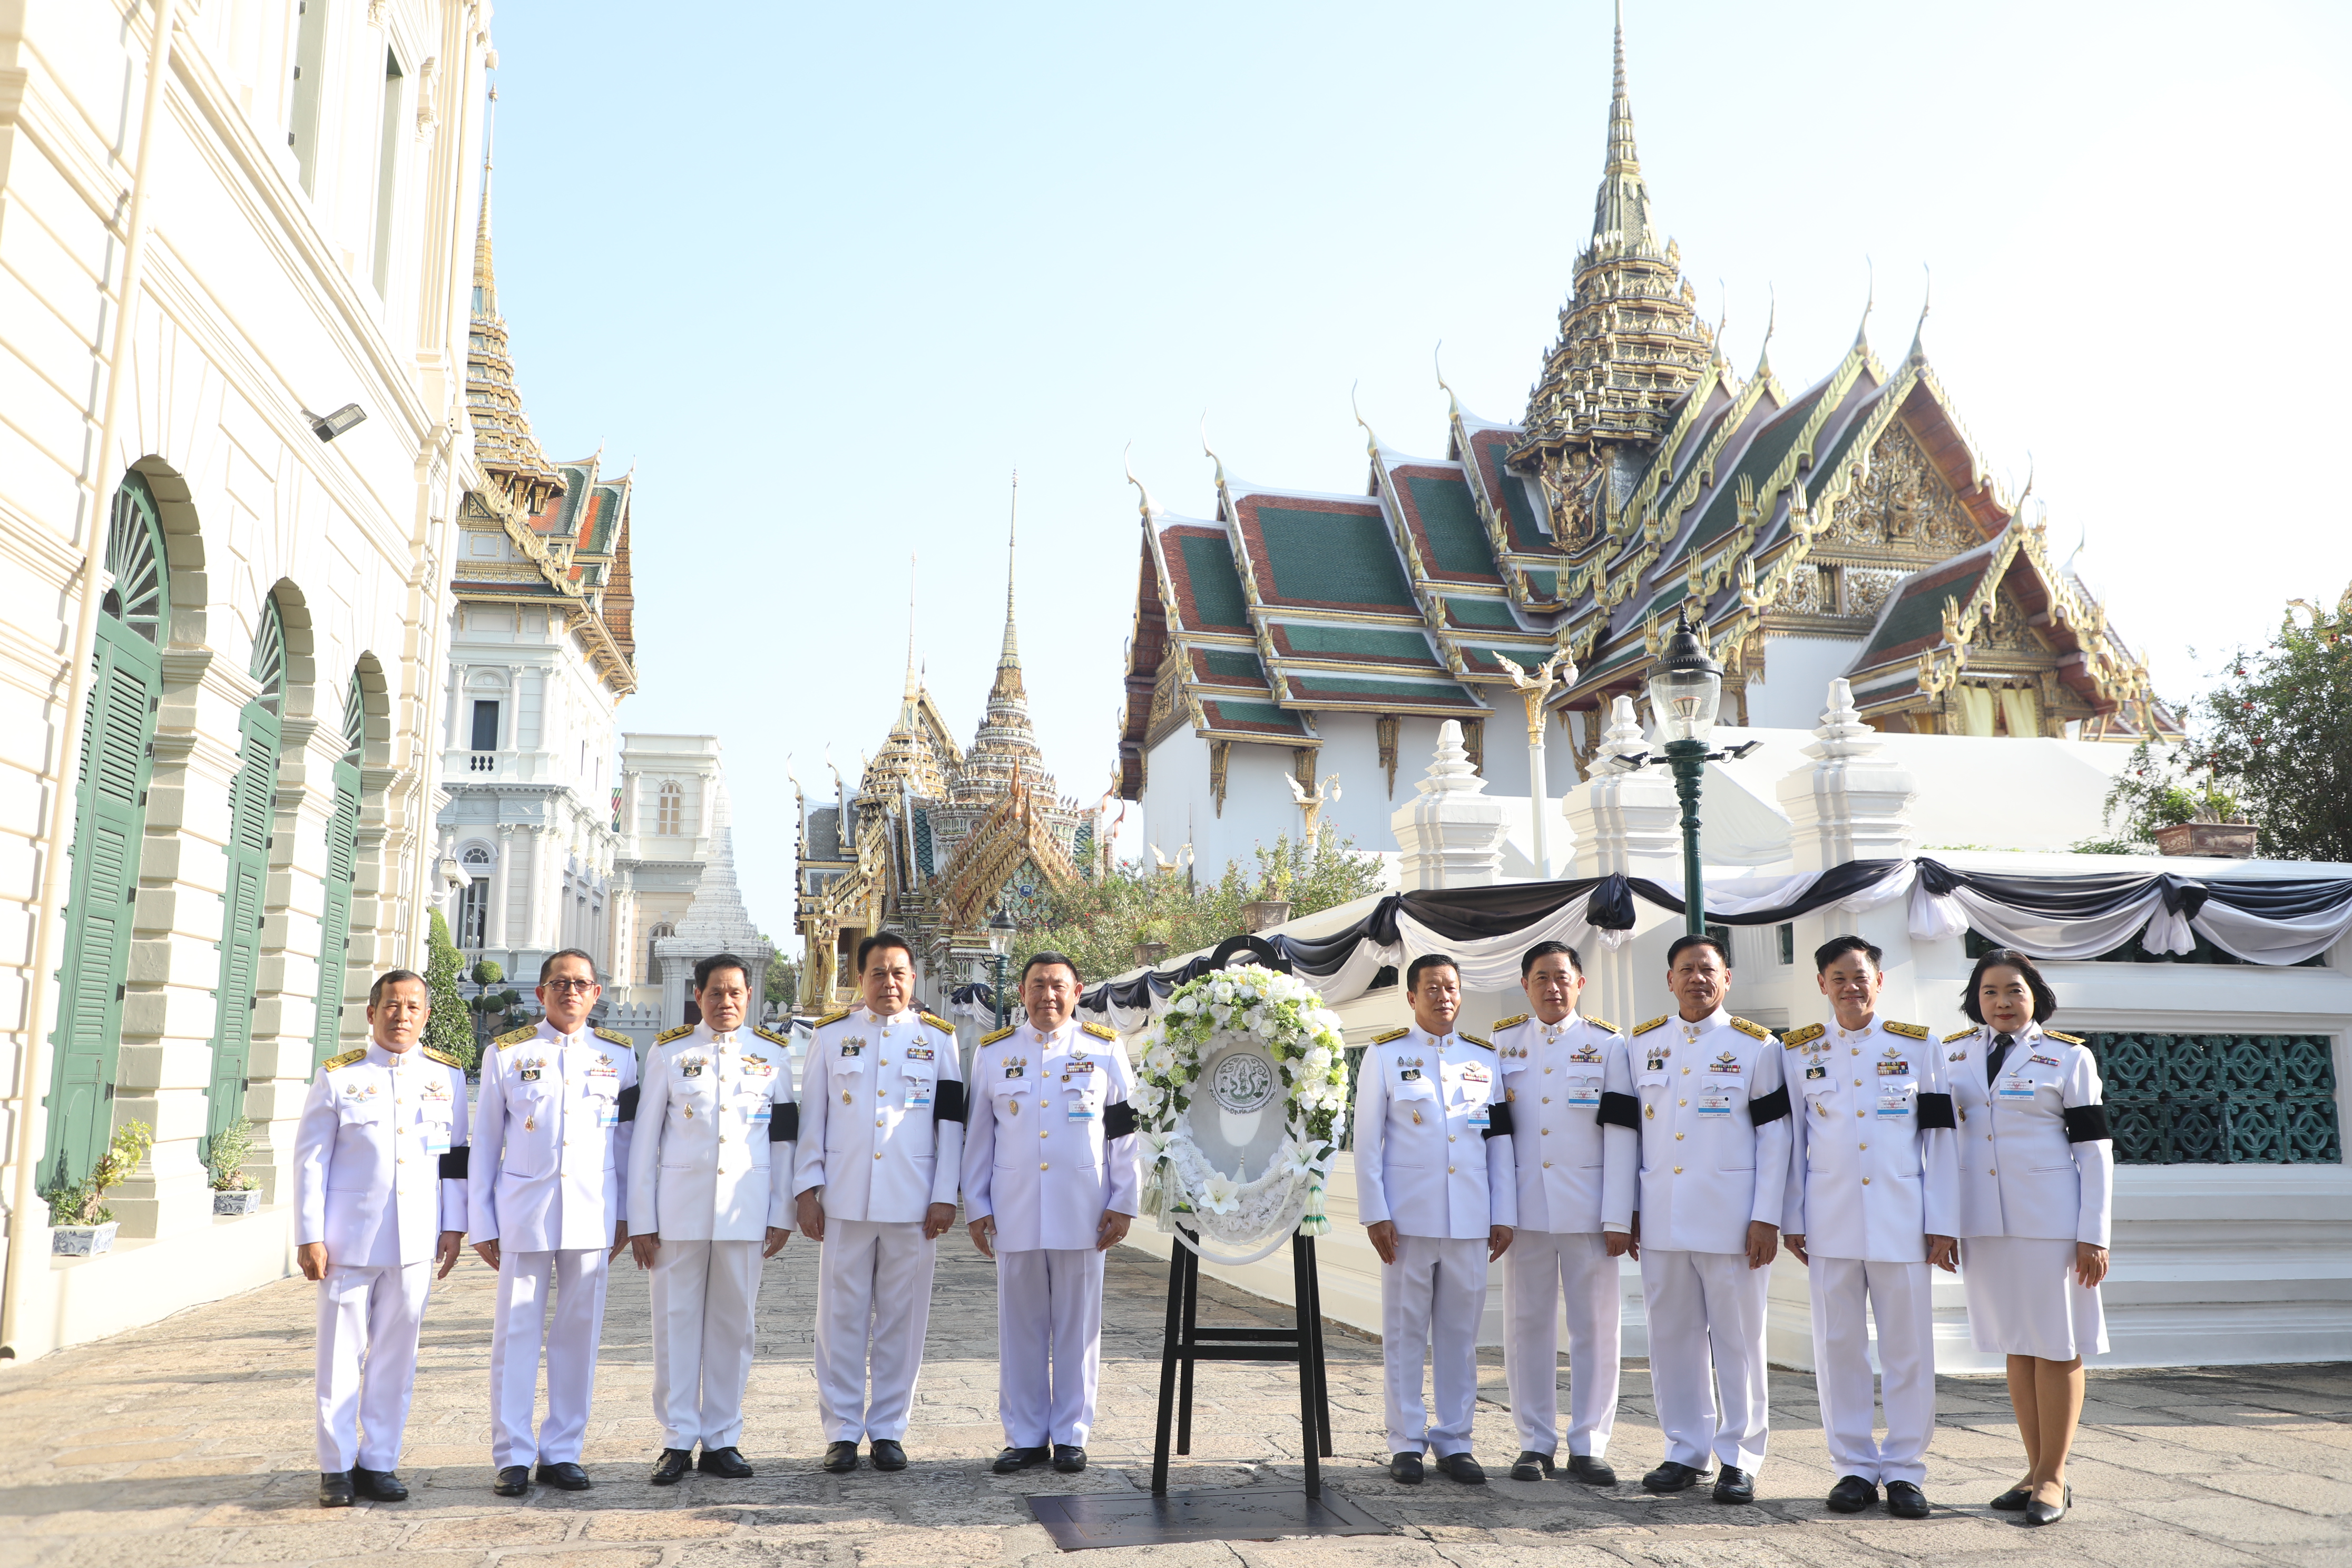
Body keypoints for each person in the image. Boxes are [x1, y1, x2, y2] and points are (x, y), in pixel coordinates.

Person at [1780, 935, 1958, 1520]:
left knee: (1908, 1350)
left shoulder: (1919, 1047)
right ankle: (1853, 1467)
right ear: (1821, 985)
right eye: (1839, 977)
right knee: (1839, 1349)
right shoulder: (1798, 1051)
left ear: (1878, 981)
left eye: (1861, 976)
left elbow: (1941, 1141)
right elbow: (1793, 1142)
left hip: (1902, 1221)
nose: (1851, 986)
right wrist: (1792, 1217)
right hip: (1829, 1221)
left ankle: (1906, 1469)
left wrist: (1943, 1221)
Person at [1615, 932, 1790, 1504]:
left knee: (1739, 1340)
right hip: (1662, 1219)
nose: (1697, 978)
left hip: (1733, 1223)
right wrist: (1625, 1212)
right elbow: (1625, 1138)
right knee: (1672, 1339)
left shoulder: (1758, 1047)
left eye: (1707, 969)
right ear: (1669, 980)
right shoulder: (1640, 1046)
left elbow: (1776, 1137)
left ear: (1726, 978)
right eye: (1686, 969)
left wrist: (1767, 1216)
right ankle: (1684, 1451)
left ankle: (1739, 1456)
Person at [1945, 947, 2112, 1528]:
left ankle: (2054, 1476)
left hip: (2051, 1223)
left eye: (2014, 990)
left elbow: (2094, 1151)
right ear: (1976, 999)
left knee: (2058, 1342)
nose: (2002, 1002)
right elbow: (1941, 1147)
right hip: (1985, 1222)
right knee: (2016, 1343)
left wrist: (2093, 1234)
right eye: (1990, 992)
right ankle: (2033, 1466)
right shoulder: (1954, 1056)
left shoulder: (2067, 1058)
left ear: (2034, 993)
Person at [293, 970, 469, 1507]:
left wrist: (454, 1224)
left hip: (416, 1238)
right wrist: (309, 1234)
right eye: (392, 1006)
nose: (402, 1016)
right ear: (372, 1013)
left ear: (426, 1016)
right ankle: (336, 1466)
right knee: (340, 1355)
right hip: (348, 1239)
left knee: (397, 1356)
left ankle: (380, 1462)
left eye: (413, 1007)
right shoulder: (339, 1077)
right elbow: (310, 1160)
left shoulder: (447, 1076)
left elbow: (456, 1158)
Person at [469, 948, 638, 1497]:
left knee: (578, 1337)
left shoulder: (620, 1057)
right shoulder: (507, 1054)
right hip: (524, 1212)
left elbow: (628, 1143)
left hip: (592, 1211)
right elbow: (485, 1145)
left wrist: (627, 1213)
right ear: (541, 993)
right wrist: (482, 1220)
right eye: (560, 983)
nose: (570, 992)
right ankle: (513, 1454)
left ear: (596, 994)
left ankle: (563, 1450)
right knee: (516, 1335)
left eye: (581, 984)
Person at [796, 932, 966, 1474]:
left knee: (903, 1320)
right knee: (840, 1320)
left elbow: (951, 1125)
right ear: (860, 977)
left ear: (913, 980)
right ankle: (842, 1431)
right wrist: (807, 1189)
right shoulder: (829, 1037)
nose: (888, 983)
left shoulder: (939, 1040)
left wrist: (945, 1194)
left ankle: (889, 1429)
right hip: (845, 1198)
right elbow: (812, 1120)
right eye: (877, 973)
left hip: (914, 1204)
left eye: (898, 973)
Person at [963, 951, 1138, 1475]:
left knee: (1077, 1327)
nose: (1048, 996)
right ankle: (1025, 1435)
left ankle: (1070, 1434)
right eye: (1037, 985)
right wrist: (977, 1205)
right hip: (1015, 1210)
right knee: (1020, 1328)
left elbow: (1125, 1135)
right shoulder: (994, 1055)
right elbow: (979, 1138)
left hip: (1084, 1210)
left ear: (1077, 991)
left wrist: (1123, 1201)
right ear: (1021, 994)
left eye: (1058, 985)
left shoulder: (1105, 1051)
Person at [626, 952, 797, 1485]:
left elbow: (784, 1140)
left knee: (733, 1327)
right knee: (674, 1325)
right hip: (678, 1214)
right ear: (697, 996)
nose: (727, 1002)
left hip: (745, 1212)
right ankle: (678, 1438)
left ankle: (723, 1438)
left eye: (736, 993)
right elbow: (643, 1142)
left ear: (750, 997)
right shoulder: (670, 1053)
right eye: (716, 993)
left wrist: (783, 1210)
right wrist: (640, 1220)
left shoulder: (772, 1056)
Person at [1356, 953, 1515, 1486]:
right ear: (1411, 997)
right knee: (1404, 1334)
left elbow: (1499, 1144)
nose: (1443, 997)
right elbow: (1367, 1144)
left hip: (1470, 1219)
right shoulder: (1384, 1056)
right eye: (1431, 988)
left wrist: (1504, 1212)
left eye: (1450, 988)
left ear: (1460, 994)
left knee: (1459, 1337)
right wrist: (1376, 1212)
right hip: (1408, 1220)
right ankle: (1405, 1442)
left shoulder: (1484, 1061)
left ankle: (1455, 1441)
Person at [1490, 941, 1635, 1485]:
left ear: (1580, 983)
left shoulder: (1608, 1045)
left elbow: (1622, 1132)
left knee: (1594, 1328)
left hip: (1589, 1210)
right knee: (1526, 1326)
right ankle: (1534, 1442)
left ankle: (1590, 1442)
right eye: (1540, 977)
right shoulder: (1502, 1044)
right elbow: (1497, 1136)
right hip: (1526, 1211)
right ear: (1525, 985)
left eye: (1561, 977)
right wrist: (1499, 1208)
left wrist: (1618, 1215)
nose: (1552, 987)